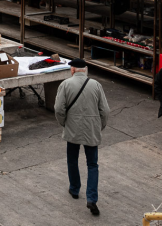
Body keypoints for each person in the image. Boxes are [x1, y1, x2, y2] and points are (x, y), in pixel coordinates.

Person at [54, 57, 109, 216]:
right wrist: (100, 126)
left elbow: (58, 109)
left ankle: (74, 189)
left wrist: (64, 123)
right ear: (85, 70)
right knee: (92, 164)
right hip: (91, 129)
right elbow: (105, 110)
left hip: (73, 128)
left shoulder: (65, 84)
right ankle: (91, 198)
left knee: (72, 160)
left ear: (72, 70)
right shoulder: (96, 85)